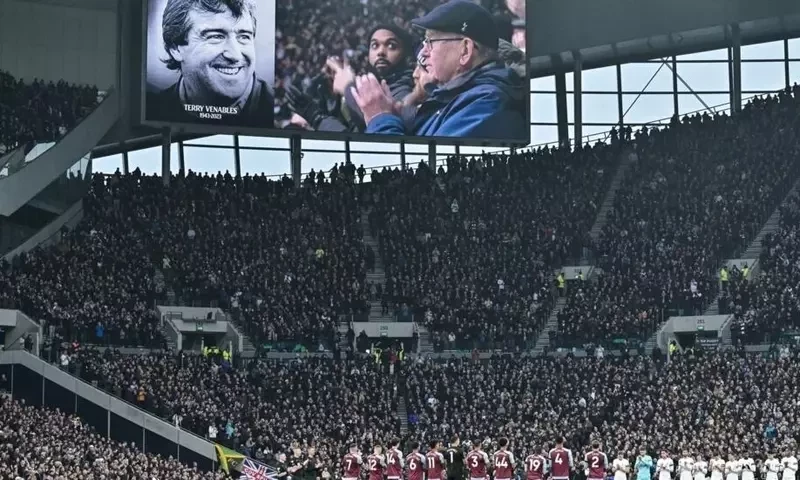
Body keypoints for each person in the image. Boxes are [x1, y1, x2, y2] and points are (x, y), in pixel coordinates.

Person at [350, 0, 527, 140]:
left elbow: (418, 169)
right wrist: (397, 118)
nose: (423, 52)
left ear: (465, 51)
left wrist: (380, 119)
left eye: (430, 42)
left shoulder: (486, 104)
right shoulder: (460, 96)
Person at [146, 0, 274, 127]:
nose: (235, 55)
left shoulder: (279, 114)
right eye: (216, 36)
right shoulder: (151, 111)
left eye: (244, 37)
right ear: (176, 48)